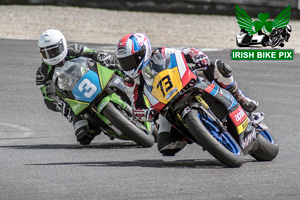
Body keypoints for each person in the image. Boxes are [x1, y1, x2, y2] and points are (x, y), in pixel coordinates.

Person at [115, 33, 258, 156]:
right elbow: (136, 107)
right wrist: (147, 113)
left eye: (130, 60)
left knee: (217, 66)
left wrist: (198, 57)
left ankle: (239, 96)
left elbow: (186, 52)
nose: (128, 65)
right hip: (167, 107)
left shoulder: (162, 53)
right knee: (166, 147)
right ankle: (198, 134)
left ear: (142, 52)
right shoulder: (131, 81)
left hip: (188, 84)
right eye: (124, 62)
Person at [36, 29, 115, 145]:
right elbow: (48, 96)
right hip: (74, 103)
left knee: (115, 66)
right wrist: (59, 105)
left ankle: (132, 89)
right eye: (46, 53)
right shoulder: (42, 73)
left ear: (62, 45)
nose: (51, 56)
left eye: (54, 51)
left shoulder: (74, 49)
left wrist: (103, 57)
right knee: (83, 137)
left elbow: (93, 53)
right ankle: (97, 124)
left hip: (92, 80)